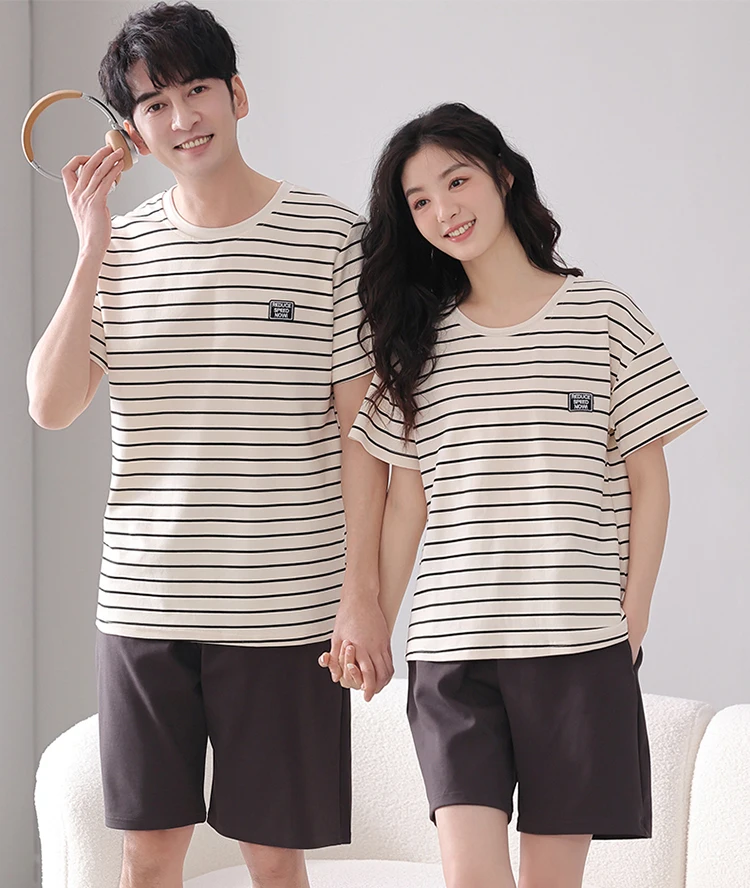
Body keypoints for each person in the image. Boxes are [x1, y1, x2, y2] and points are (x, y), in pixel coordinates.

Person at [25, 4, 392, 887]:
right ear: (132, 131)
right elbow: (49, 404)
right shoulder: (120, 252)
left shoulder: (332, 238)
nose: (183, 117)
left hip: (285, 608)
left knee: (274, 855)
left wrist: (362, 594)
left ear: (238, 95)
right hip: (145, 603)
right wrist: (91, 246)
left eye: (197, 90)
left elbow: (365, 440)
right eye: (155, 104)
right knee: (147, 854)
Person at [342, 102, 707, 888]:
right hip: (452, 651)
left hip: (576, 646)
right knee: (469, 876)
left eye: (457, 181)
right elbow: (408, 504)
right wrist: (373, 622)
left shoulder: (604, 314)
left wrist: (633, 615)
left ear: (503, 177)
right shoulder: (418, 343)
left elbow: (649, 480)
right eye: (419, 201)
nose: (444, 210)